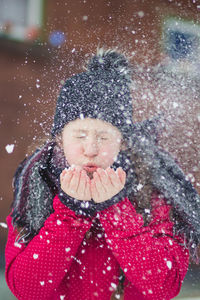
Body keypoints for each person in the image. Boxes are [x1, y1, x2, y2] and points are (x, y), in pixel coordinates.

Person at [5, 48, 200, 300]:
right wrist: (71, 212)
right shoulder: (36, 187)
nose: (91, 149)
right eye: (80, 135)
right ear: (59, 140)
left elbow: (162, 286)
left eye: (104, 136)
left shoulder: (153, 190)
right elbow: (26, 289)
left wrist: (116, 209)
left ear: (123, 142)